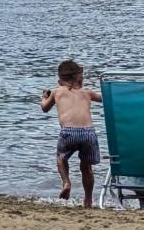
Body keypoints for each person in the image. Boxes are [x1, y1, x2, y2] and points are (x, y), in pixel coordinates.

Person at [40, 60, 102, 207]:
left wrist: (44, 97)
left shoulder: (56, 92)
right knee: (86, 168)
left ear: (60, 79)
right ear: (78, 79)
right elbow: (106, 98)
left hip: (68, 132)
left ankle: (66, 182)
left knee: (61, 158)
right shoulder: (87, 93)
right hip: (88, 133)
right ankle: (88, 199)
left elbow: (44, 108)